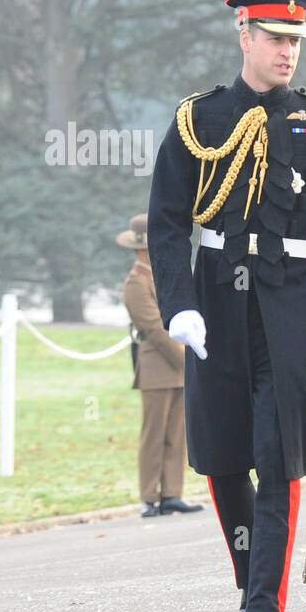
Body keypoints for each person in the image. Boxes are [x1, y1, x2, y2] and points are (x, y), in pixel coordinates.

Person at [147, 0, 306, 612]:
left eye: (296, 41)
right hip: (216, 301)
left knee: (276, 453)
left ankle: (264, 607)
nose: (288, 52)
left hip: (290, 302)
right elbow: (166, 223)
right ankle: (252, 585)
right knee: (220, 455)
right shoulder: (200, 119)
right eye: (276, 38)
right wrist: (179, 305)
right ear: (244, 37)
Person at [117, 213, 202, 519]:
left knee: (176, 433)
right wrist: (187, 359)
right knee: (154, 434)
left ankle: (171, 493)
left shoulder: (158, 277)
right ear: (142, 248)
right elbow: (154, 327)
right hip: (156, 367)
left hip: (176, 366)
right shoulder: (136, 283)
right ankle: (149, 496)